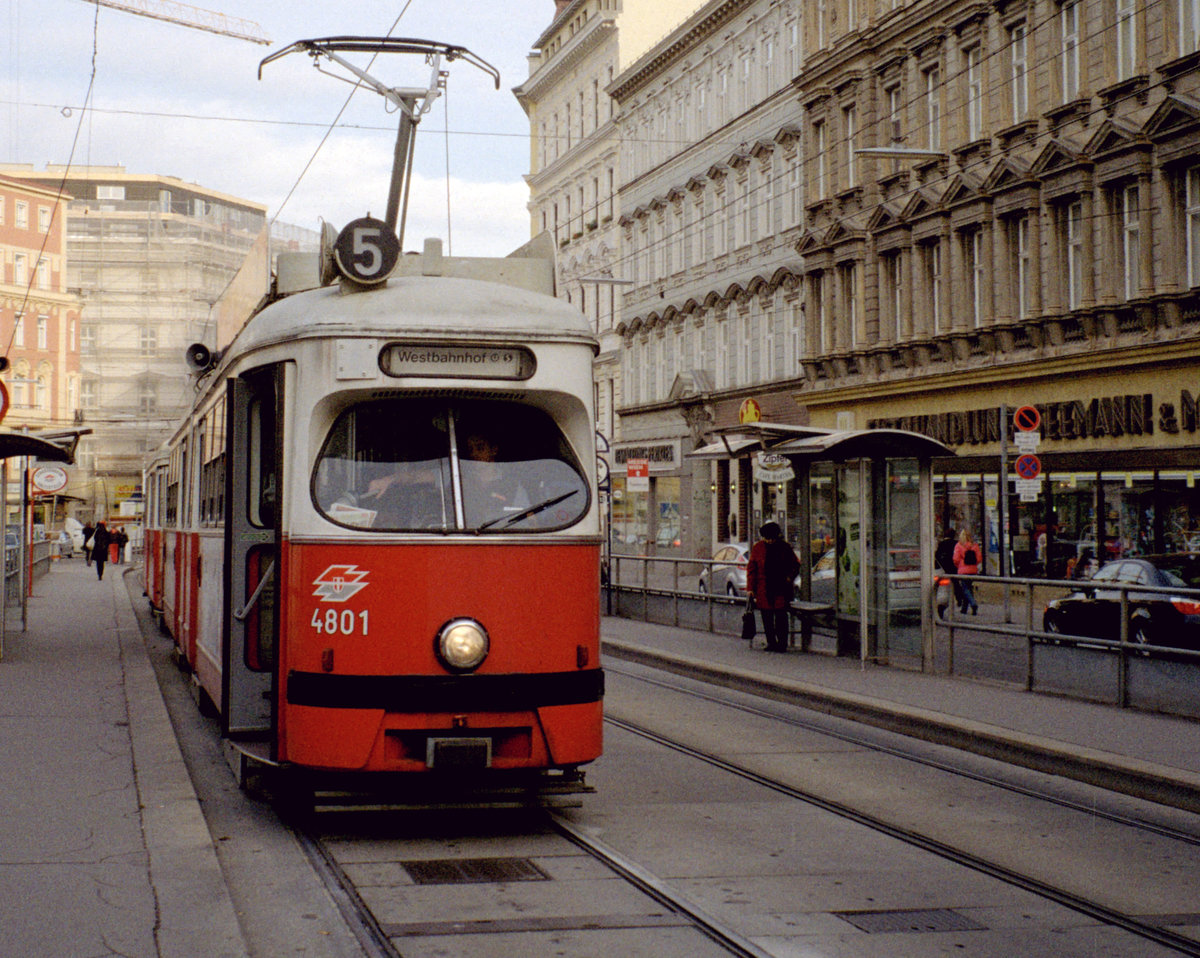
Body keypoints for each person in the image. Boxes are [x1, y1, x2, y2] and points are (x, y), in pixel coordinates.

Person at [746, 521, 801, 652]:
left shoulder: (784, 547)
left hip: (781, 587)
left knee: (781, 616)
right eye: (767, 538)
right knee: (767, 617)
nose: (769, 541)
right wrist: (750, 589)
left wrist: (789, 578)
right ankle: (771, 642)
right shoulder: (758, 548)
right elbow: (752, 569)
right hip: (763, 588)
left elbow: (795, 565)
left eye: (772, 538)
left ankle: (782, 644)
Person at [953, 527, 980, 615]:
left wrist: (959, 565)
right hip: (973, 570)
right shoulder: (975, 545)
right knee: (969, 588)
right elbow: (979, 558)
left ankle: (973, 604)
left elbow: (956, 559)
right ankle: (964, 609)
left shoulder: (959, 545)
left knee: (965, 589)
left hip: (963, 570)